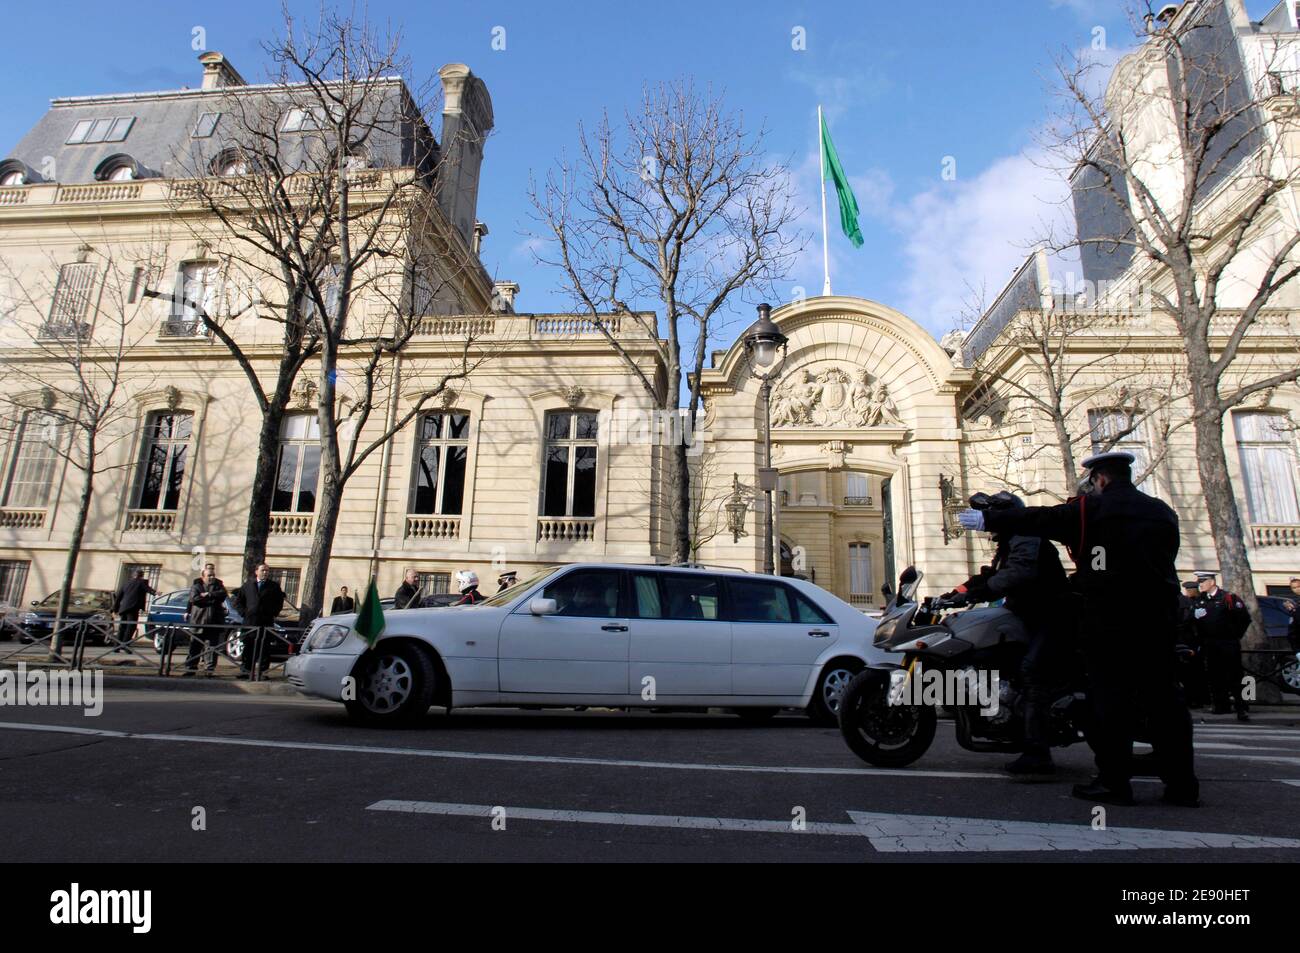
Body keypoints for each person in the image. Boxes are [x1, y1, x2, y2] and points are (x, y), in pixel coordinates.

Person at [958, 450, 1198, 807]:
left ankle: (1114, 782)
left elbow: (1042, 518)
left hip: (1110, 617)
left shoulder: (1091, 510)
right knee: (1164, 701)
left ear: (1100, 478)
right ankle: (1182, 785)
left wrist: (987, 519)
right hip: (1158, 616)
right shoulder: (1161, 510)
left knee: (1110, 701)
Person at [944, 491, 1072, 777]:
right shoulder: (1011, 542)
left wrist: (982, 591)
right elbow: (991, 575)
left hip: (1049, 616)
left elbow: (1017, 574)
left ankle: (1039, 756)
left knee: (1032, 672)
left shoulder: (1026, 536)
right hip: (1027, 617)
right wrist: (956, 594)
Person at [1192, 571, 1251, 721]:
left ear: (1212, 582)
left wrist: (1234, 636)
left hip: (1228, 643)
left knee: (1235, 676)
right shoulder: (1200, 600)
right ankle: (1220, 706)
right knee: (1214, 676)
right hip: (1210, 644)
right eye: (1199, 582)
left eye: (1203, 582)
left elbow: (1244, 619)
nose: (1200, 585)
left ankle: (1241, 707)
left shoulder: (1228, 598)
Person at [232, 563, 285, 679]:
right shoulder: (248, 585)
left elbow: (279, 602)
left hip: (266, 623)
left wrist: (273, 613)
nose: (265, 572)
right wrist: (244, 613)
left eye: (267, 571)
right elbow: (237, 602)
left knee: (264, 649)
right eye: (263, 570)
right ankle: (245, 671)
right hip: (250, 622)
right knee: (248, 648)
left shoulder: (273, 586)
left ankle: (262, 672)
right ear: (256, 571)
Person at [184, 565, 227, 676]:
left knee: (211, 648)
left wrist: (209, 594)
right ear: (203, 577)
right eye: (209, 575)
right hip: (198, 621)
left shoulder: (219, 585)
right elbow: (195, 599)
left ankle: (209, 670)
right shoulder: (197, 586)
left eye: (213, 575)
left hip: (214, 622)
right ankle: (190, 668)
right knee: (195, 647)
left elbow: (223, 595)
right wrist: (212, 601)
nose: (212, 577)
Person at [1176, 580, 1208, 709]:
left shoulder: (1183, 602)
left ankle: (1194, 699)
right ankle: (1196, 699)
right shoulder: (1186, 601)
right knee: (1190, 673)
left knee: (1189, 673)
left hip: (1185, 641)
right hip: (1187, 641)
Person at [111, 570, 155, 651]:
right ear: (141, 576)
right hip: (133, 608)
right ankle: (125, 645)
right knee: (131, 627)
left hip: (123, 608)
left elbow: (118, 597)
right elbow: (148, 589)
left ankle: (116, 646)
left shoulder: (126, 583)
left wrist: (115, 609)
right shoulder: (141, 582)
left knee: (122, 627)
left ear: (133, 575)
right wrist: (155, 592)